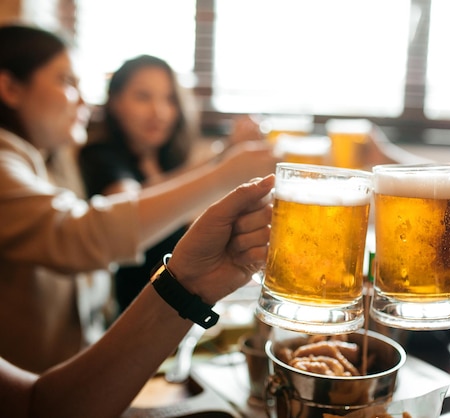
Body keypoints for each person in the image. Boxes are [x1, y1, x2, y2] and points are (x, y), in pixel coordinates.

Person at [0, 23, 277, 373]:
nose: (84, 100)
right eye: (67, 82)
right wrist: (223, 172)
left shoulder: (49, 158)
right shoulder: (22, 160)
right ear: (10, 88)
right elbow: (79, 234)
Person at [0, 174, 275, 418]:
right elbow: (35, 408)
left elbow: (41, 406)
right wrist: (225, 170)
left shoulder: (55, 163)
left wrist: (192, 282)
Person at [78, 55, 277, 314]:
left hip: (176, 304)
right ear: (114, 102)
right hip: (137, 313)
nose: (158, 111)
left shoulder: (166, 158)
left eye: (169, 99)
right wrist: (223, 166)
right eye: (143, 97)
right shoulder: (102, 155)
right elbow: (127, 207)